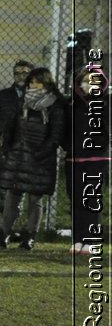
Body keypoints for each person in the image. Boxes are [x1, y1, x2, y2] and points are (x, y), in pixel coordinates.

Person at [0, 67, 66, 250]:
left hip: (40, 159)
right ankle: (4, 234)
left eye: (37, 82)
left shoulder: (54, 105)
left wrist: (41, 153)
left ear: (46, 83)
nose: (33, 85)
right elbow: (11, 127)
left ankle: (30, 237)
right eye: (30, 82)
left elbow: (55, 135)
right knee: (12, 196)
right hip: (18, 156)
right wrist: (8, 148)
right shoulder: (22, 102)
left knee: (35, 199)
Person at [69, 63, 107, 254]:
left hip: (96, 161)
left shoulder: (105, 105)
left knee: (91, 200)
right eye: (84, 82)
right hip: (74, 160)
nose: (88, 85)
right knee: (76, 200)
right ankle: (77, 240)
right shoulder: (73, 105)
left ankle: (90, 241)